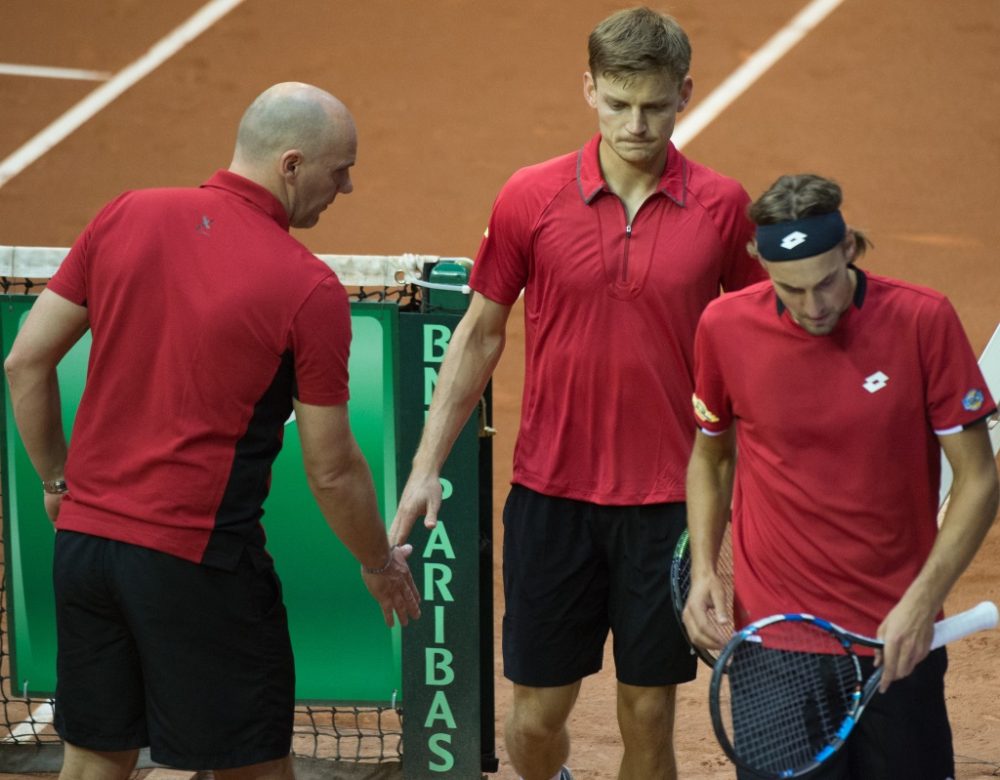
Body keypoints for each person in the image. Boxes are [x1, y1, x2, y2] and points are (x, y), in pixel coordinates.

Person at [3, 82, 421, 780]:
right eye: (339, 169)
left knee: (93, 760)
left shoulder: (125, 214)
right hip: (198, 566)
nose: (345, 187)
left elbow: (24, 361)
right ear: (291, 166)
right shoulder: (307, 288)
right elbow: (332, 469)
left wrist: (56, 481)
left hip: (85, 552)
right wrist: (379, 563)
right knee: (251, 768)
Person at [390, 8, 766, 780]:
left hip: (669, 502)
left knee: (649, 715)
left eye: (656, 105)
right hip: (551, 496)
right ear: (589, 89)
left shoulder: (724, 206)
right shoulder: (530, 197)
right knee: (532, 720)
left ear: (685, 94)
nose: (637, 123)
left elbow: (763, 342)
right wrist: (429, 463)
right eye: (619, 103)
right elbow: (478, 336)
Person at [683, 172, 999, 779]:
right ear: (759, 263)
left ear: (850, 249)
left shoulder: (921, 320)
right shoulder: (724, 327)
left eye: (826, 282)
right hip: (774, 643)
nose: (813, 306)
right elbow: (710, 454)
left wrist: (922, 601)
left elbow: (979, 481)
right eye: (790, 290)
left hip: (896, 639)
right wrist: (703, 568)